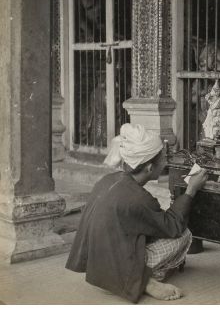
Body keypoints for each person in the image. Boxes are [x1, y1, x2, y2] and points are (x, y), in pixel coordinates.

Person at [65, 123, 208, 303]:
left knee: (150, 229)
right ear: (149, 168)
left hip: (94, 269)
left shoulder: (107, 179)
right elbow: (173, 226)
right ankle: (143, 280)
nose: (165, 162)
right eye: (163, 158)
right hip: (118, 270)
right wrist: (191, 190)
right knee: (184, 235)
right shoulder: (140, 198)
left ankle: (133, 278)